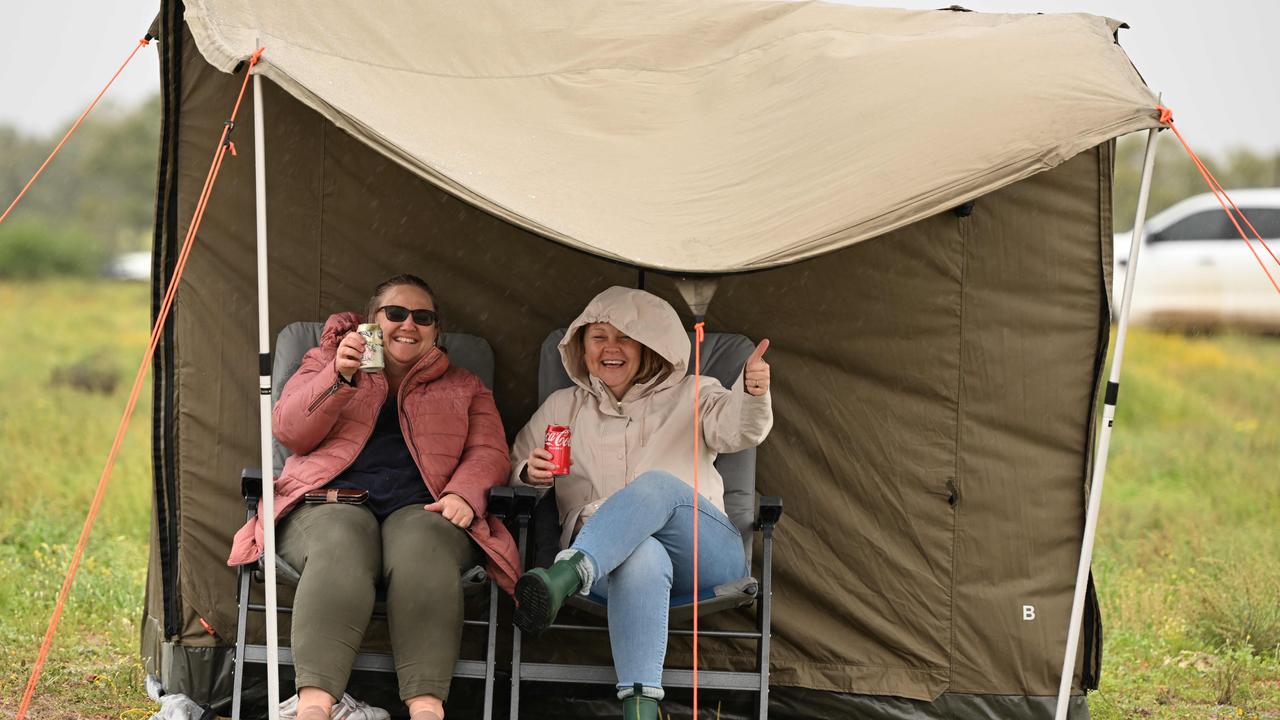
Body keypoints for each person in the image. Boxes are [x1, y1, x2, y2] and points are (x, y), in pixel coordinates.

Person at [227, 274, 520, 720]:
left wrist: (464, 492)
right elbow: (288, 430)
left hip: (423, 507)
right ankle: (314, 709)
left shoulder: (465, 385)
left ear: (436, 330)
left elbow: (490, 451)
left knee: (426, 547)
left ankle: (426, 709)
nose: (408, 324)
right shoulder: (325, 360)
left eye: (423, 317)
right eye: (395, 313)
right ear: (371, 321)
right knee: (340, 543)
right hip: (329, 502)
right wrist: (338, 375)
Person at [509, 285, 773, 720]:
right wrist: (529, 473)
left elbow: (740, 430)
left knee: (657, 485)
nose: (609, 348)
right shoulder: (563, 407)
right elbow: (513, 463)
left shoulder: (697, 392)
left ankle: (564, 574)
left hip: (705, 554)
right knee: (641, 554)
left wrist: (752, 391)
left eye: (625, 337)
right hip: (612, 564)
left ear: (652, 345)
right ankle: (641, 711)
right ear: (582, 345)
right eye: (598, 337)